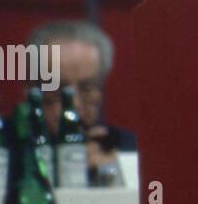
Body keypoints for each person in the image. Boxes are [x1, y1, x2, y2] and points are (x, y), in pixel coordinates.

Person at [26, 20, 136, 185]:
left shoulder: (127, 148)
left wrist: (117, 176)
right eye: (58, 88)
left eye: (86, 88)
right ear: (32, 88)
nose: (75, 103)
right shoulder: (1, 147)